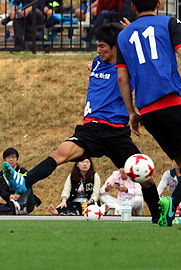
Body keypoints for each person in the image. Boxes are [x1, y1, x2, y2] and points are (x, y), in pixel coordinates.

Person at [2, 22, 160, 224]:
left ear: (115, 48)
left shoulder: (128, 67)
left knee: (143, 175)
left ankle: (158, 214)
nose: (98, 49)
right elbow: (97, 68)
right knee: (59, 154)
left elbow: (145, 57)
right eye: (97, 45)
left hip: (116, 131)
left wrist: (132, 33)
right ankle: (24, 182)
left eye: (103, 46)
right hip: (91, 129)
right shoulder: (96, 62)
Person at [116, 0, 181, 227]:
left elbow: (122, 78)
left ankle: (165, 214)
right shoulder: (169, 23)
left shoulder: (123, 37)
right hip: (173, 102)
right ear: (160, 3)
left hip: (148, 112)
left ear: (133, 7)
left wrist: (132, 112)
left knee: (180, 163)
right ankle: (171, 203)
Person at [0, 147, 41, 215]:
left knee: (26, 184)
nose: (11, 159)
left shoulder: (22, 171)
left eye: (13, 157)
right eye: (8, 157)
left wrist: (18, 194)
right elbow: (2, 191)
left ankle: (20, 207)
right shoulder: (1, 174)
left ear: (17, 159)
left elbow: (28, 188)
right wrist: (10, 196)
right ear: (4, 160)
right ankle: (14, 211)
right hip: (12, 202)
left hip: (26, 202)